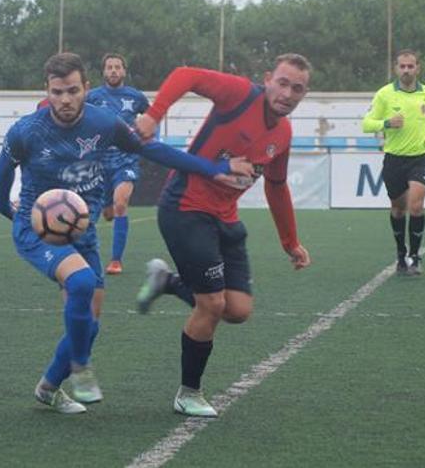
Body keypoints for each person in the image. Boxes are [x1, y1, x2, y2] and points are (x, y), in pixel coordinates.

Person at [0, 52, 252, 414]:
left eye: (72, 90)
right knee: (81, 283)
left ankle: (49, 387)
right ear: (46, 91)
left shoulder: (104, 123)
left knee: (90, 324)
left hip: (80, 231)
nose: (64, 100)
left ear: (86, 88)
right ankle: (81, 368)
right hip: (40, 230)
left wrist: (213, 168)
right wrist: (9, 211)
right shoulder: (26, 131)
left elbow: (155, 151)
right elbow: (3, 174)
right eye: (56, 92)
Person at [134, 54, 313, 417]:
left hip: (226, 219)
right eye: (282, 82)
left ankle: (167, 281)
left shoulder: (283, 133)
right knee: (212, 305)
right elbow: (185, 72)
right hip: (185, 209)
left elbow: (276, 187)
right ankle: (188, 393)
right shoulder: (239, 95)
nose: (288, 93)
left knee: (238, 311)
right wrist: (154, 114)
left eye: (298, 88)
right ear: (267, 79)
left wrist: (290, 242)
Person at [361, 49, 425, 276]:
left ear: (418, 68)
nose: (406, 70)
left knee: (416, 205)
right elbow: (366, 124)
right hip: (394, 159)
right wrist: (386, 123)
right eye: (402, 66)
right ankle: (401, 254)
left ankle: (415, 257)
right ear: (396, 69)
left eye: (411, 66)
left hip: (421, 157)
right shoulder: (384, 95)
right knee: (398, 209)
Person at [86, 53, 151, 275]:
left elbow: (151, 118)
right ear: (103, 72)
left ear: (124, 71)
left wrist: (149, 139)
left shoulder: (136, 97)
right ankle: (87, 251)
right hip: (99, 162)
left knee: (121, 203)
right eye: (109, 67)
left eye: (117, 67)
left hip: (126, 159)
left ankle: (115, 261)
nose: (113, 71)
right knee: (106, 213)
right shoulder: (92, 97)